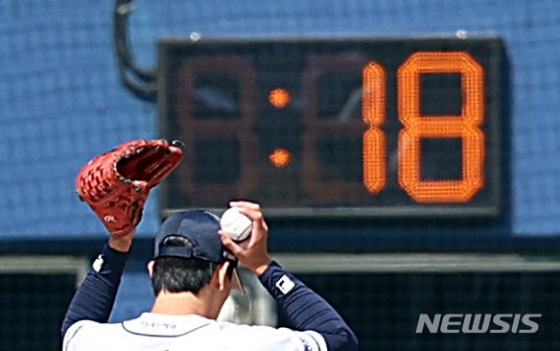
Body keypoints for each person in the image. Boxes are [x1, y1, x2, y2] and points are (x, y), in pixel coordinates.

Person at [61, 200, 359, 351]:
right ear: (222, 277)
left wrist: (117, 246)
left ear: (153, 271)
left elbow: (74, 326)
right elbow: (337, 339)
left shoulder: (97, 342)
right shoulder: (244, 345)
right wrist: (264, 265)